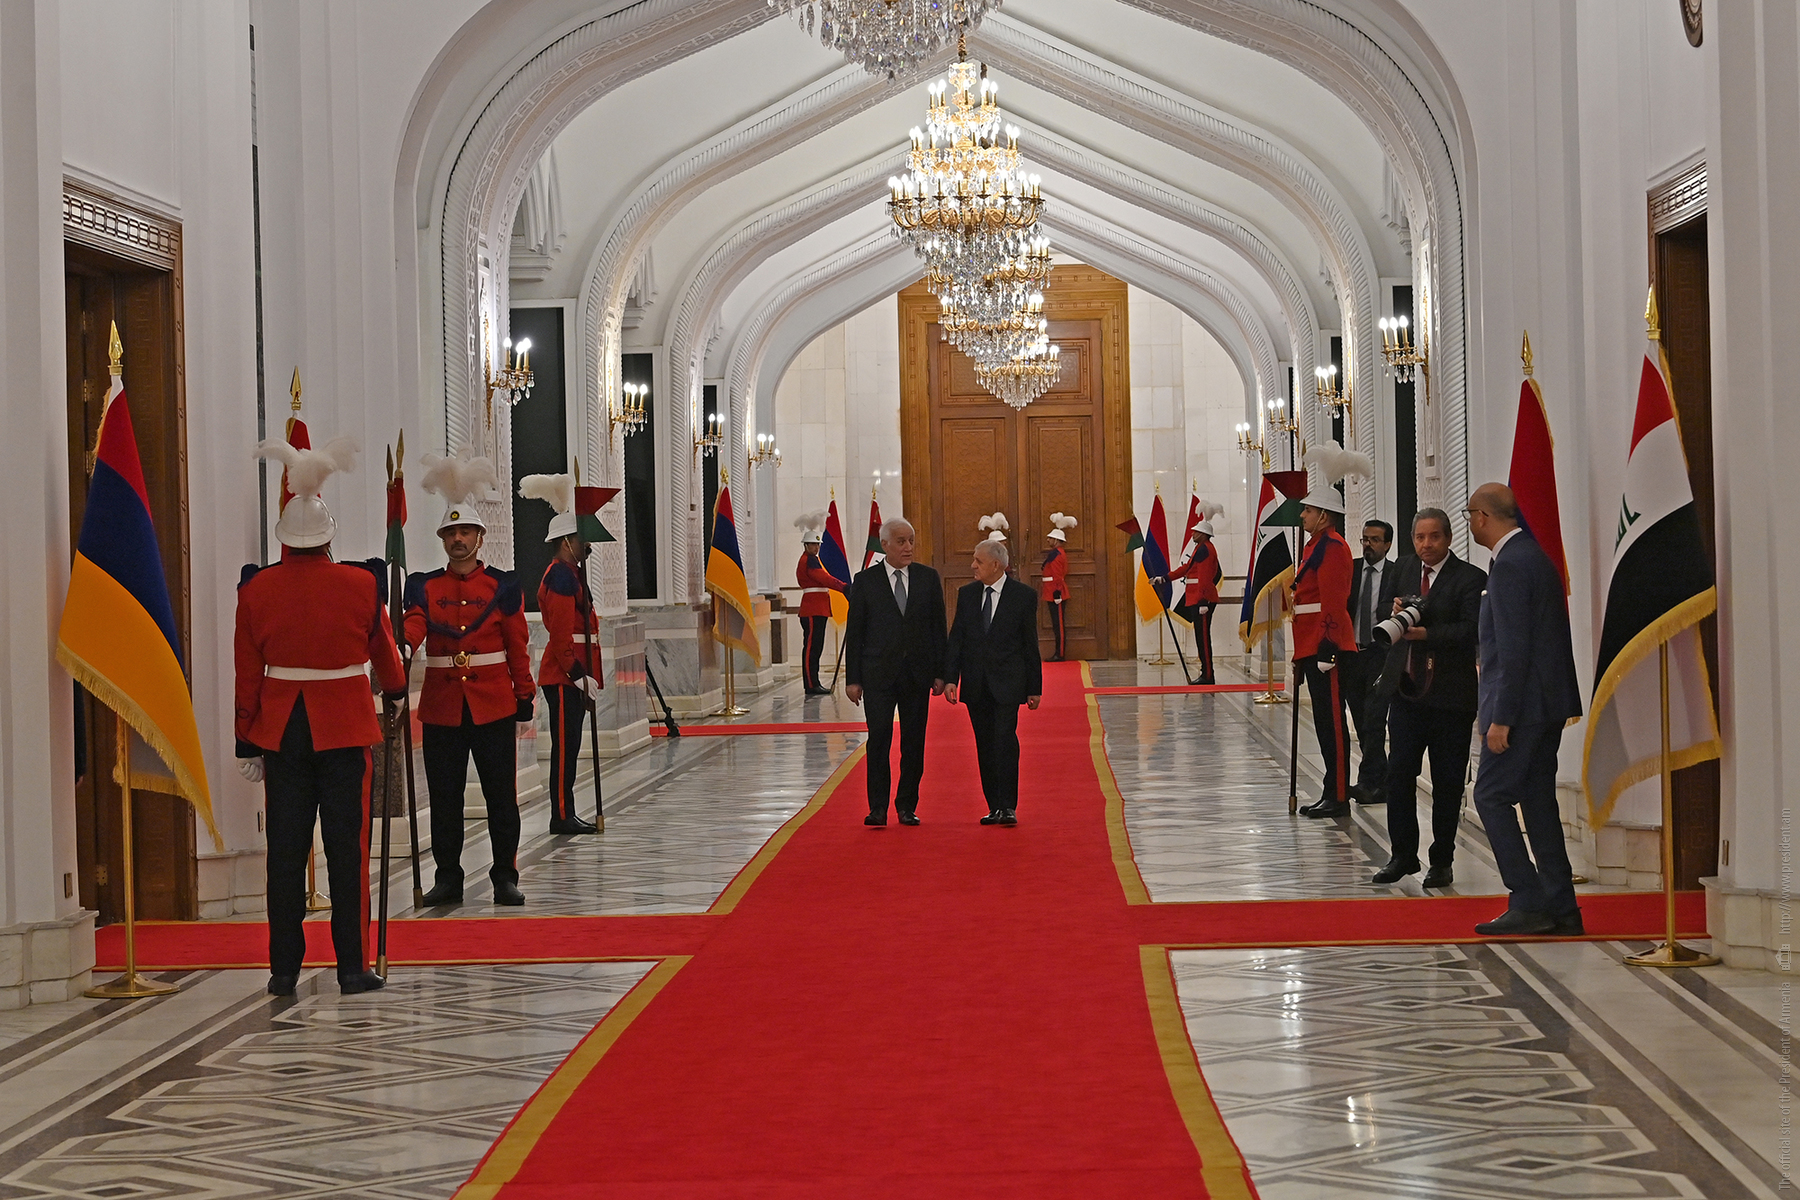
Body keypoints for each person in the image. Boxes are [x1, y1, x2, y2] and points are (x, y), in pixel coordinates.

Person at [238, 434, 406, 997]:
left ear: (284, 538)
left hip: (282, 731)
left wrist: (245, 739)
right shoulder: (362, 584)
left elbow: (246, 672)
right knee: (347, 851)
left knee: (285, 853)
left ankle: (283, 969)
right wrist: (397, 693)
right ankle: (352, 966)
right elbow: (385, 655)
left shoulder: (256, 590)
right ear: (329, 536)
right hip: (345, 728)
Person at [404, 451, 534, 907]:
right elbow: (415, 624)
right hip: (442, 707)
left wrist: (524, 694)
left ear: (480, 537)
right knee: (445, 799)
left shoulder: (503, 586)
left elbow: (517, 644)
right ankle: (448, 878)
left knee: (501, 798)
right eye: (450, 533)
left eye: (465, 532)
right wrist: (403, 645)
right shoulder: (424, 586)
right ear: (443, 539)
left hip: (493, 704)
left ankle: (505, 876)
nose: (458, 539)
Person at [1466, 483, 1585, 936]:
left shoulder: (1511, 565)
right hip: (1545, 704)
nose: (1471, 523)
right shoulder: (1531, 556)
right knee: (1536, 801)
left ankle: (1528, 899)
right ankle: (1562, 906)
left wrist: (1501, 718)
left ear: (1482, 517)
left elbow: (1514, 651)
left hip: (1523, 707)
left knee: (1489, 795)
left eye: (1471, 515)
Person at [1370, 508, 1484, 888]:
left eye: (1434, 536)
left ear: (1448, 538)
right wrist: (1394, 611)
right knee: (1399, 775)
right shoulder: (1403, 568)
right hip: (1406, 691)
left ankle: (1442, 860)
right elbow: (1382, 609)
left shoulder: (1470, 578)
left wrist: (1426, 633)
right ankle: (1402, 854)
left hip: (1451, 698)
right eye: (1420, 537)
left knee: (1447, 782)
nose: (1426, 544)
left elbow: (1472, 630)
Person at [844, 518, 946, 826]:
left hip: (917, 674)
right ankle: (877, 808)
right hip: (878, 675)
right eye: (901, 541)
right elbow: (855, 632)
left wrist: (940, 672)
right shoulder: (865, 581)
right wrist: (853, 679)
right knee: (879, 740)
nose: (908, 547)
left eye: (911, 541)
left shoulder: (928, 578)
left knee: (913, 742)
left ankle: (906, 806)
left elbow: (938, 629)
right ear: (885, 544)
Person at [519, 472, 601, 836]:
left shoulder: (571, 573)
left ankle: (566, 810)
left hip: (574, 675)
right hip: (565, 675)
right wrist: (578, 673)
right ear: (567, 542)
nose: (589, 546)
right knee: (565, 749)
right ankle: (562, 814)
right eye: (584, 540)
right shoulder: (562, 577)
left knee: (571, 747)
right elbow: (562, 634)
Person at [944, 538, 1043, 826]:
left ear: (996, 565)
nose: (973, 566)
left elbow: (1030, 644)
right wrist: (951, 678)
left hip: (1008, 683)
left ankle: (1008, 805)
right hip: (976, 683)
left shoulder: (1022, 596)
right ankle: (994, 806)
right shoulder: (967, 594)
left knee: (1004, 741)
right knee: (984, 744)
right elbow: (957, 638)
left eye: (978, 561)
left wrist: (1034, 688)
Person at [1293, 490, 1358, 819]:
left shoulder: (1332, 547)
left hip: (1326, 646)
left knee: (1332, 724)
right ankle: (1331, 789)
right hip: (1311, 643)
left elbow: (1333, 601)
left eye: (1308, 510)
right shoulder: (1315, 546)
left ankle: (1339, 795)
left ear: (1324, 515)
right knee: (1322, 723)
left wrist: (1328, 649)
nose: (1302, 515)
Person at [1346, 518, 1399, 802]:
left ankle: (1368, 781)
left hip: (1380, 654)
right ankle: (1381, 780)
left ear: (1387, 544)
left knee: (1374, 720)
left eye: (1375, 540)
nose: (1368, 545)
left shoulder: (1395, 573)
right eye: (1365, 539)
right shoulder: (1351, 569)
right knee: (1360, 719)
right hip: (1353, 654)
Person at [793, 513, 848, 696]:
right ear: (806, 545)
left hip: (818, 609)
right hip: (812, 609)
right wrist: (844, 587)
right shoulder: (809, 560)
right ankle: (811, 684)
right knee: (812, 648)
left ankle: (813, 682)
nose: (816, 547)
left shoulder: (812, 559)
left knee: (816, 648)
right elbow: (824, 578)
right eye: (813, 544)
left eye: (817, 545)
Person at [1163, 516, 1222, 684]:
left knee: (1203, 639)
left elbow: (1204, 577)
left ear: (1203, 534)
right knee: (1200, 638)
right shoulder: (1201, 548)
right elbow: (1187, 568)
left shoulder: (1205, 549)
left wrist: (1203, 600)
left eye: (1196, 532)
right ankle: (1206, 673)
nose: (1193, 534)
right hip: (1197, 598)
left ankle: (1208, 675)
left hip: (1201, 599)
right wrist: (1165, 578)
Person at [1040, 512, 1076, 661]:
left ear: (1056, 540)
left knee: (1059, 625)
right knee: (1056, 624)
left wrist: (1057, 592)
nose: (1048, 540)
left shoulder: (1057, 555)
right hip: (1051, 591)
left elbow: (1058, 575)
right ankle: (1058, 652)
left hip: (1056, 592)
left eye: (1050, 538)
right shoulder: (1055, 553)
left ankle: (1060, 653)